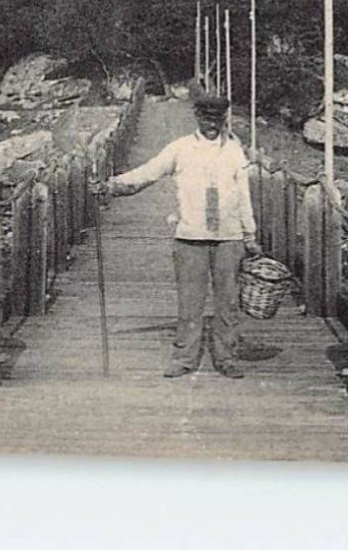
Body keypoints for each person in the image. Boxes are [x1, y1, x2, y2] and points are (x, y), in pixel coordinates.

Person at [104, 91, 260, 378]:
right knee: (190, 302)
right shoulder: (181, 148)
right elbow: (148, 172)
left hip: (229, 237)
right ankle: (184, 358)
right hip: (190, 237)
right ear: (197, 117)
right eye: (206, 118)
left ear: (223, 119)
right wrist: (112, 185)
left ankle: (226, 357)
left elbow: (244, 195)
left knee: (228, 302)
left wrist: (249, 235)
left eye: (217, 119)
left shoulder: (235, 150)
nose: (212, 124)